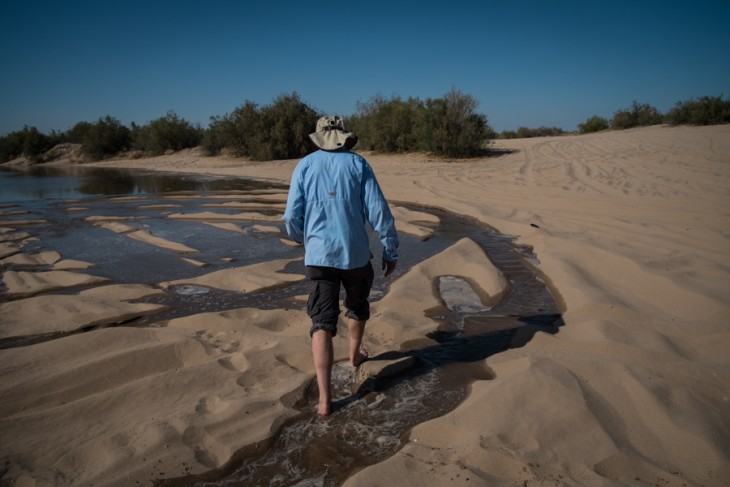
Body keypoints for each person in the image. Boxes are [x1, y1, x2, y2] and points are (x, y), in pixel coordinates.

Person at [283, 115, 399, 416]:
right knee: (357, 304)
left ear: (319, 137)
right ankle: (353, 356)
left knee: (321, 321)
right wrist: (390, 247)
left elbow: (290, 217)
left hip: (320, 255)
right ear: (343, 136)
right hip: (355, 253)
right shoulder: (358, 164)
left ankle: (325, 401)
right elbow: (378, 210)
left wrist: (301, 239)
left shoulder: (305, 165)